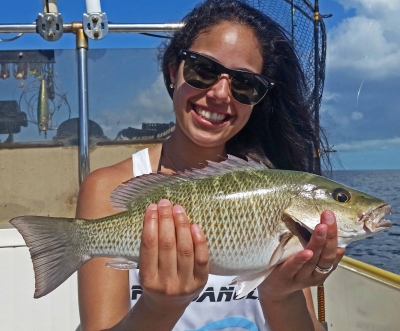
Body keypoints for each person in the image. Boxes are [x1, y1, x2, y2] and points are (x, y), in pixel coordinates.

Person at [76, 1, 345, 330]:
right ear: (174, 70)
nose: (220, 94)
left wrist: (281, 295)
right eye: (203, 69)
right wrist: (161, 306)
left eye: (245, 84)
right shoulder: (107, 190)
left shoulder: (276, 187)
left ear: (258, 99)